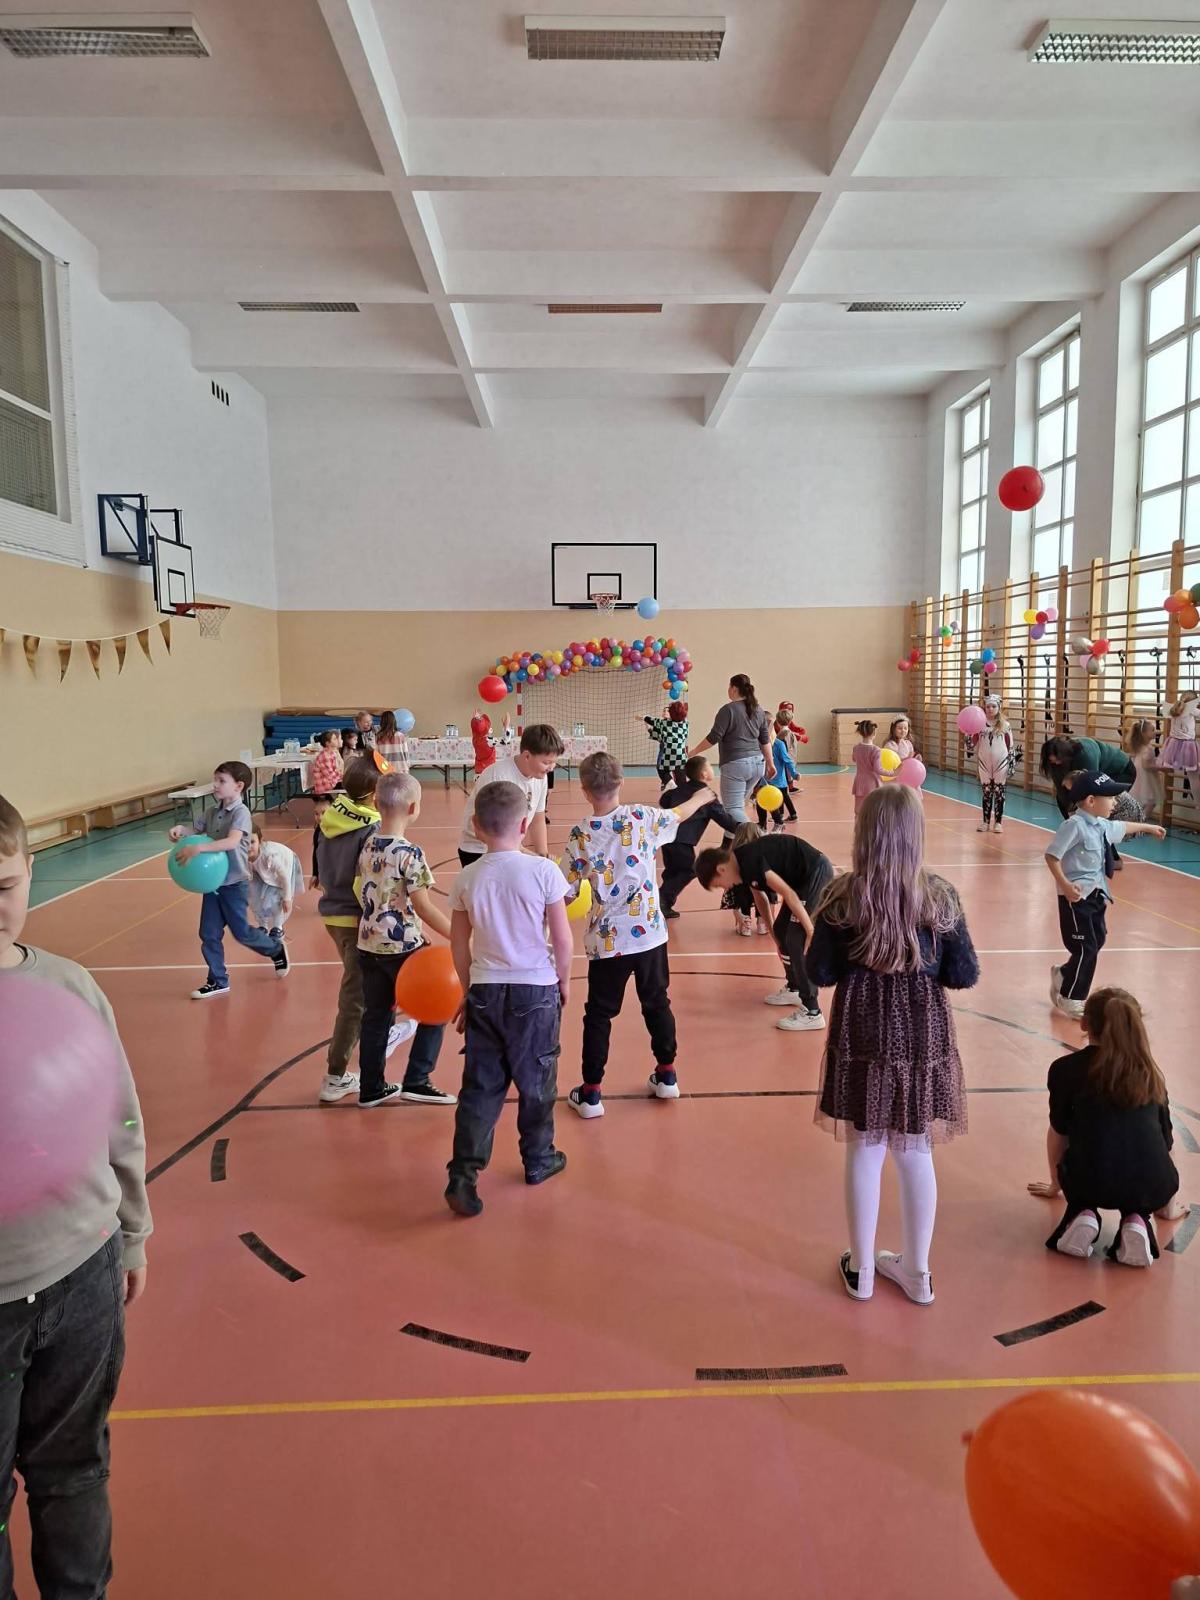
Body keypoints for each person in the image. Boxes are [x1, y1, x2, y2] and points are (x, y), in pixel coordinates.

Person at [0, 792, 152, 1599]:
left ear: (30, 873)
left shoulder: (70, 987)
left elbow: (117, 1115)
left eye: (3, 887)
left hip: (81, 1274)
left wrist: (132, 1232)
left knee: (74, 1470)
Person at [807, 785, 980, 1306]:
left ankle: (861, 1269)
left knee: (865, 1147)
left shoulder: (842, 896)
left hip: (862, 1028)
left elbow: (820, 972)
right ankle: (918, 1273)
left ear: (864, 834)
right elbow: (963, 973)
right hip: (922, 1031)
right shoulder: (939, 896)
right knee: (915, 1147)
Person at [560, 752, 717, 1118]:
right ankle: (667, 1075)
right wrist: (702, 795)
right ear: (621, 782)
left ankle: (591, 1093)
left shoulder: (581, 835)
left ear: (584, 790)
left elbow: (565, 891)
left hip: (607, 941)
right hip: (648, 935)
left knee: (599, 1014)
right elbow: (679, 813)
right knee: (657, 1002)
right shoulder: (642, 817)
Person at [444, 781, 573, 1216]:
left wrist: (469, 989)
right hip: (535, 990)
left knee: (481, 1087)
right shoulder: (543, 871)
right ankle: (538, 1158)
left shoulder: (467, 877)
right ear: (524, 825)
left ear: (477, 826)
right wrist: (563, 981)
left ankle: (463, 1174)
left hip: (485, 990)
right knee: (538, 1082)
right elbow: (562, 937)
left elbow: (458, 945)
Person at [1027, 988, 1188, 1265]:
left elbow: (1059, 1133)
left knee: (1088, 1174)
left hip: (1090, 1180)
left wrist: (1057, 1184)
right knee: (1137, 1187)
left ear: (1084, 1023)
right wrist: (1167, 1203)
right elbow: (1166, 1143)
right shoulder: (1150, 1074)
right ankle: (1136, 1220)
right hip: (1151, 1183)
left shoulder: (1066, 1069)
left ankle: (1083, 1214)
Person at [355, 771, 456, 1108]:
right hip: (402, 949)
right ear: (414, 808)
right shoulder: (409, 852)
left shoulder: (368, 845)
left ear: (375, 803)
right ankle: (418, 1079)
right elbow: (423, 905)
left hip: (369, 944)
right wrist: (457, 936)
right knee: (436, 1006)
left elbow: (374, 893)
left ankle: (371, 1087)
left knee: (375, 1017)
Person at [1044, 772, 1165, 1018]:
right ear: (1091, 801)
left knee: (1097, 940)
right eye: (1110, 797)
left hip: (1097, 895)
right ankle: (1071, 997)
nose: (1115, 802)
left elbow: (1123, 827)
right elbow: (1052, 856)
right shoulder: (1074, 826)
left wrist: (1149, 827)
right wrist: (1065, 885)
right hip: (1076, 898)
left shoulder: (1101, 825)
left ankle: (1064, 974)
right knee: (1085, 946)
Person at [168, 762, 289, 999]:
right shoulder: (212, 812)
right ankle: (217, 980)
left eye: (221, 781)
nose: (215, 785)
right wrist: (181, 831)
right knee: (208, 933)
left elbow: (232, 841)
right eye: (215, 780)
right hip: (213, 884)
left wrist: (200, 848)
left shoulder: (241, 813)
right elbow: (196, 833)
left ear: (239, 786)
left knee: (241, 932)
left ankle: (275, 949)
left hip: (234, 884)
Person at [696, 829, 835, 1032]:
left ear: (721, 870)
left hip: (815, 872)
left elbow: (788, 894)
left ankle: (812, 1012)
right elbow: (759, 897)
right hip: (800, 881)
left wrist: (810, 930)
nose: (725, 889)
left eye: (719, 885)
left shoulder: (749, 862)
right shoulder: (741, 866)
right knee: (782, 931)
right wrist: (773, 933)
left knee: (796, 937)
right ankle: (795, 988)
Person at [313, 757, 380, 1103]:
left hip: (333, 914)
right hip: (356, 919)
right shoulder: (370, 828)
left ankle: (377, 1036)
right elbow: (363, 881)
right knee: (355, 998)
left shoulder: (333, 816)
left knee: (365, 990)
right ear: (374, 794)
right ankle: (335, 1075)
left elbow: (318, 851)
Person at [457, 723, 563, 868]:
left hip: (509, 847)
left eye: (554, 762)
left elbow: (538, 818)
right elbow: (494, 831)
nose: (551, 768)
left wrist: (543, 856)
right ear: (527, 756)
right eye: (546, 762)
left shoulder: (540, 777)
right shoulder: (499, 776)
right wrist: (530, 855)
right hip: (480, 850)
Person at [658, 755, 740, 918]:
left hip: (667, 838)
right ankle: (661, 900)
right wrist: (743, 828)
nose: (712, 769)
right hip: (682, 841)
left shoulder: (680, 789)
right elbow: (724, 819)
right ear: (704, 774)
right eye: (710, 766)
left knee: (673, 871)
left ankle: (663, 904)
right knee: (689, 870)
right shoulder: (707, 795)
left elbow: (664, 800)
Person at [689, 673, 775, 828]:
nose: (728, 690)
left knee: (732, 809)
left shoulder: (728, 710)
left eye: (729, 687)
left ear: (734, 689)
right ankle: (731, 840)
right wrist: (770, 763)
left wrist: (694, 752)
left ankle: (755, 836)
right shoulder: (759, 710)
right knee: (738, 807)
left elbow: (714, 737)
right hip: (758, 765)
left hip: (736, 765)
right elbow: (765, 740)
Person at [1040, 734, 1135, 818]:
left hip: (1121, 771)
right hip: (1101, 771)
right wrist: (1071, 820)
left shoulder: (1085, 755)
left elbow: (1093, 788)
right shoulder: (1056, 762)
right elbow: (1062, 792)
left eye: (1058, 760)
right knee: (1062, 797)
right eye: (1053, 761)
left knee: (1103, 804)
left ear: (1064, 755)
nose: (1056, 763)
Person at [247, 822, 304, 939]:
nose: (248, 847)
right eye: (244, 842)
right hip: (260, 871)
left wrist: (287, 898)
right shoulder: (242, 856)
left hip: (282, 866)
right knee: (254, 897)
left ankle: (278, 927)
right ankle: (262, 925)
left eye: (252, 842)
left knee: (275, 898)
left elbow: (284, 877)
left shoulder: (270, 857)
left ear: (260, 841)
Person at [972, 695, 1014, 833]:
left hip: (1000, 763)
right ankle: (985, 822)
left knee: (999, 792)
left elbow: (1010, 746)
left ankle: (998, 823)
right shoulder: (979, 725)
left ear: (999, 708)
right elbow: (971, 745)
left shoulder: (1005, 725)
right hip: (984, 763)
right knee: (986, 792)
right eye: (988, 706)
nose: (990, 709)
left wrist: (1011, 764)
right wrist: (968, 733)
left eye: (993, 706)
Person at [755, 720, 799, 827]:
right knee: (761, 800)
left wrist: (794, 774)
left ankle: (782, 820)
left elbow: (787, 760)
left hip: (778, 780)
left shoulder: (779, 744)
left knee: (778, 800)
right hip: (764, 780)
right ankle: (763, 824)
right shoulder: (757, 744)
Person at [644, 701, 689, 791]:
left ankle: (670, 783)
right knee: (678, 773)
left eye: (668, 711)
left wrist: (644, 718)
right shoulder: (685, 723)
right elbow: (654, 733)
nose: (665, 712)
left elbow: (650, 720)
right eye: (664, 711)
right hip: (678, 754)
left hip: (669, 752)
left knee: (662, 769)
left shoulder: (663, 723)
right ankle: (675, 787)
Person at [1127, 717, 1164, 820]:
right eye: (1152, 730)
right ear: (1143, 734)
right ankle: (1140, 822)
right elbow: (1146, 765)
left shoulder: (1142, 746)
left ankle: (1138, 821)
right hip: (1146, 777)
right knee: (1151, 801)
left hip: (1142, 775)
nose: (1155, 731)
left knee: (1146, 801)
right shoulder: (1148, 748)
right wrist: (1161, 768)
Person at [1157, 689, 1199, 775]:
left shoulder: (1174, 708)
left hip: (1173, 742)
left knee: (1175, 762)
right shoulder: (1191, 709)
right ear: (1193, 702)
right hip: (1187, 743)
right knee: (1191, 769)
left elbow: (1162, 711)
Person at [850, 720, 883, 814]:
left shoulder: (856, 748)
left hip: (859, 782)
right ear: (874, 733)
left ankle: (858, 823)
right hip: (872, 782)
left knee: (858, 810)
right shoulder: (876, 750)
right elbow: (878, 769)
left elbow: (854, 759)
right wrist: (893, 772)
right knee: (874, 809)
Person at [308, 729, 344, 797]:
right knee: (352, 784)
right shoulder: (325, 756)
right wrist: (341, 773)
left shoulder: (332, 753)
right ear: (328, 743)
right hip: (326, 786)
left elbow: (339, 770)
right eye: (334, 739)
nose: (337, 740)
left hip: (332, 782)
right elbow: (331, 776)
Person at [375, 709, 410, 774]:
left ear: (382, 722)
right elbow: (405, 752)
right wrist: (407, 765)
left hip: (385, 769)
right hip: (401, 768)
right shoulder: (400, 735)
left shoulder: (379, 737)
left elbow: (377, 755)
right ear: (394, 721)